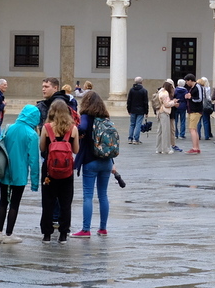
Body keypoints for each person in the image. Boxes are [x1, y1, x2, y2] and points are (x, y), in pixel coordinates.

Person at [0, 104, 40, 244]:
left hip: (4, 170)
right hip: (20, 173)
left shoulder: (8, 128)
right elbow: (34, 160)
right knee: (15, 203)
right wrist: (35, 181)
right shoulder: (32, 134)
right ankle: (9, 234)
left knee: (3, 201)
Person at [72, 91, 117, 238]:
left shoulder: (86, 116)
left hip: (91, 160)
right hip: (107, 161)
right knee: (103, 195)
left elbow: (83, 127)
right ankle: (103, 228)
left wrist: (76, 131)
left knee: (88, 196)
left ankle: (86, 230)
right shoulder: (105, 117)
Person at [39, 99, 79, 243]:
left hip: (49, 171)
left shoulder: (47, 127)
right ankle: (63, 234)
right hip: (66, 172)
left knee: (48, 202)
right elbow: (76, 150)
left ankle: (47, 234)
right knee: (66, 202)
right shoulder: (73, 129)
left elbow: (42, 148)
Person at [155, 81, 177, 154]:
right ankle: (165, 149)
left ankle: (158, 148)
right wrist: (173, 102)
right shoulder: (165, 93)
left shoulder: (159, 92)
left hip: (159, 112)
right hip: (164, 112)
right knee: (165, 131)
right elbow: (167, 104)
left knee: (160, 131)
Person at [126, 77, 148, 145]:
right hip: (141, 110)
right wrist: (146, 111)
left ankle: (130, 138)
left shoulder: (132, 90)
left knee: (132, 124)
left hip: (133, 109)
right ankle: (136, 139)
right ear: (141, 82)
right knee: (138, 124)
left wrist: (128, 109)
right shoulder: (144, 90)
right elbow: (145, 102)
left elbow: (129, 101)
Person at [184, 74, 203, 154]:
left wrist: (190, 98)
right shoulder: (191, 88)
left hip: (196, 110)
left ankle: (195, 148)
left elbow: (200, 99)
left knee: (192, 129)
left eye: (187, 81)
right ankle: (196, 147)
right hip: (191, 110)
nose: (186, 83)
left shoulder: (197, 86)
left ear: (190, 80)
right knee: (193, 129)